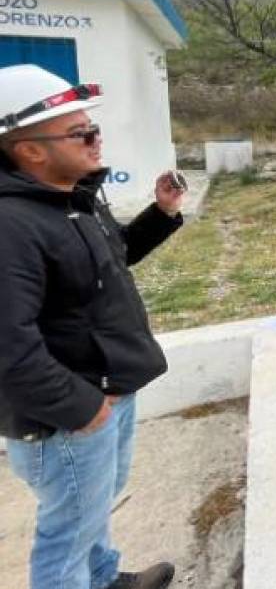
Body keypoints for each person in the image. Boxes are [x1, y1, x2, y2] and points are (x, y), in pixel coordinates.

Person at [0, 64, 183, 589]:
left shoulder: (70, 199)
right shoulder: (12, 225)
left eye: (93, 128)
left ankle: (104, 579)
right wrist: (83, 410)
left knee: (92, 510)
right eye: (81, 133)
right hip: (68, 414)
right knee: (67, 534)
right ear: (30, 150)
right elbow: (9, 346)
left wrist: (162, 213)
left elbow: (113, 258)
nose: (96, 139)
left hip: (102, 393)